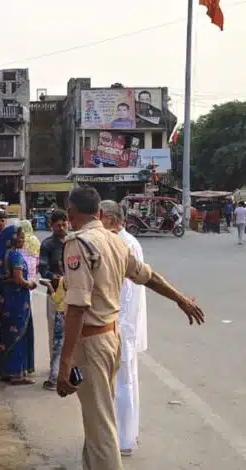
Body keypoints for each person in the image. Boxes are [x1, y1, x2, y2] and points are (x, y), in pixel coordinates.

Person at [56, 187, 205, 470]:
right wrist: (181, 299)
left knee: (100, 429)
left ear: (71, 214)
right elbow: (148, 277)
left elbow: (77, 307)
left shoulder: (80, 244)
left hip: (91, 343)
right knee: (98, 418)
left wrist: (64, 365)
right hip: (112, 338)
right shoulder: (116, 242)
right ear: (100, 213)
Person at [100, 200, 147, 456]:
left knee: (123, 384)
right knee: (123, 383)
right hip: (122, 324)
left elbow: (126, 293)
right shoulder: (125, 241)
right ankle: (124, 436)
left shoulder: (124, 244)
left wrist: (116, 326)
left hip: (121, 325)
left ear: (108, 218)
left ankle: (124, 440)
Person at [0, 225, 37, 384]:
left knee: (7, 334)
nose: (23, 240)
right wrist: (29, 284)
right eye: (20, 237)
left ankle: (7, 371)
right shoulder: (15, 255)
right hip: (17, 301)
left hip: (5, 300)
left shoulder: (4, 254)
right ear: (12, 239)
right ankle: (17, 374)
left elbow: (4, 278)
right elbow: (18, 279)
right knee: (19, 335)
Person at [39, 210, 68, 384]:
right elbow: (42, 268)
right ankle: (54, 367)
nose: (62, 228)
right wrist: (53, 277)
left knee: (73, 331)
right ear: (52, 226)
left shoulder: (73, 241)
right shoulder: (48, 244)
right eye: (58, 225)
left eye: (64, 224)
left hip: (73, 295)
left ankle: (68, 366)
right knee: (55, 333)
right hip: (54, 294)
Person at [39, 275, 66, 391]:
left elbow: (56, 299)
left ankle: (54, 379)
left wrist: (50, 286)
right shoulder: (78, 278)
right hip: (74, 315)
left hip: (61, 315)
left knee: (57, 347)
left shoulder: (63, 281)